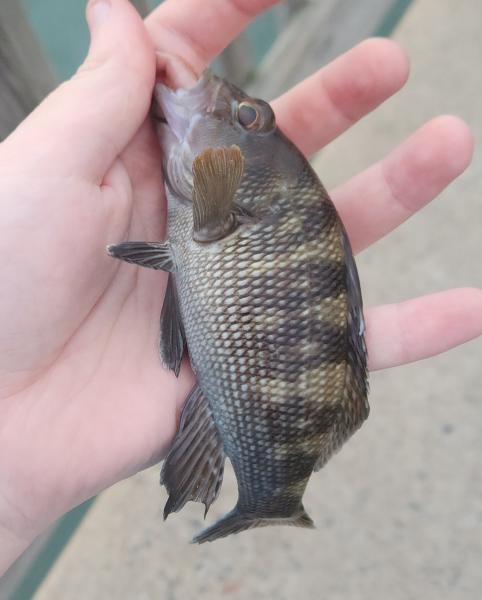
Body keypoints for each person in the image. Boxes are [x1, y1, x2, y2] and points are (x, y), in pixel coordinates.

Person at [0, 0, 480, 574]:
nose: (233, 111)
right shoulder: (213, 203)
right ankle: (268, 494)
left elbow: (204, 226)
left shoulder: (217, 203)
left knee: (216, 399)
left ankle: (270, 493)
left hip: (214, 344)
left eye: (248, 119)